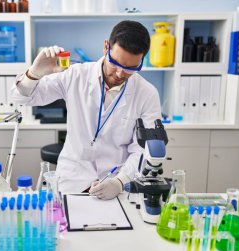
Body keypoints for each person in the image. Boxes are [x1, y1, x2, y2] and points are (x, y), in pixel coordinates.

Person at [11, 20, 161, 199]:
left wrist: (120, 181)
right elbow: (22, 98)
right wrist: (34, 73)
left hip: (117, 185)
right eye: (116, 64)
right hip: (72, 180)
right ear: (106, 47)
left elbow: (144, 150)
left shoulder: (147, 93)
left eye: (131, 68)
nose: (121, 74)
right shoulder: (76, 74)